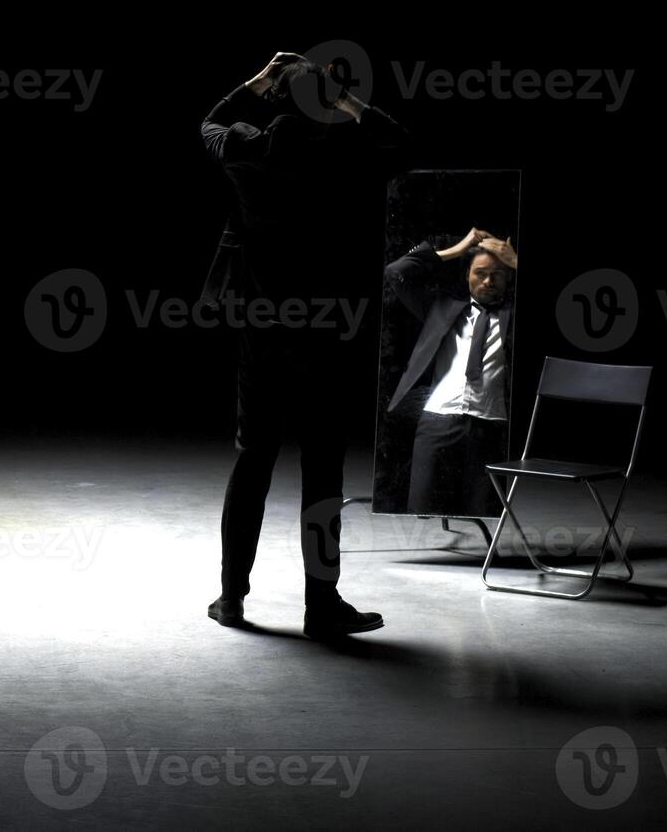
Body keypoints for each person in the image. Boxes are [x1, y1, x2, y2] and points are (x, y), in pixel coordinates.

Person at [199, 51, 406, 636]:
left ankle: (231, 598)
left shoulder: (244, 147)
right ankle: (322, 606)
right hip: (325, 332)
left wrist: (255, 81)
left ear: (272, 100)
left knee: (253, 459)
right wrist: (348, 101)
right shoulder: (343, 152)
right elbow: (403, 143)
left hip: (262, 330)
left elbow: (206, 125)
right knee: (323, 471)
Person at [384, 229, 518, 517]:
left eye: (497, 274)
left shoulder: (513, 316)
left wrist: (517, 261)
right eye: (480, 272)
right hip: (437, 422)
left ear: (508, 278)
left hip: (489, 426)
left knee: (483, 511)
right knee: (419, 510)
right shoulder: (442, 309)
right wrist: (455, 250)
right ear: (467, 274)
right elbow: (396, 273)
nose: (488, 281)